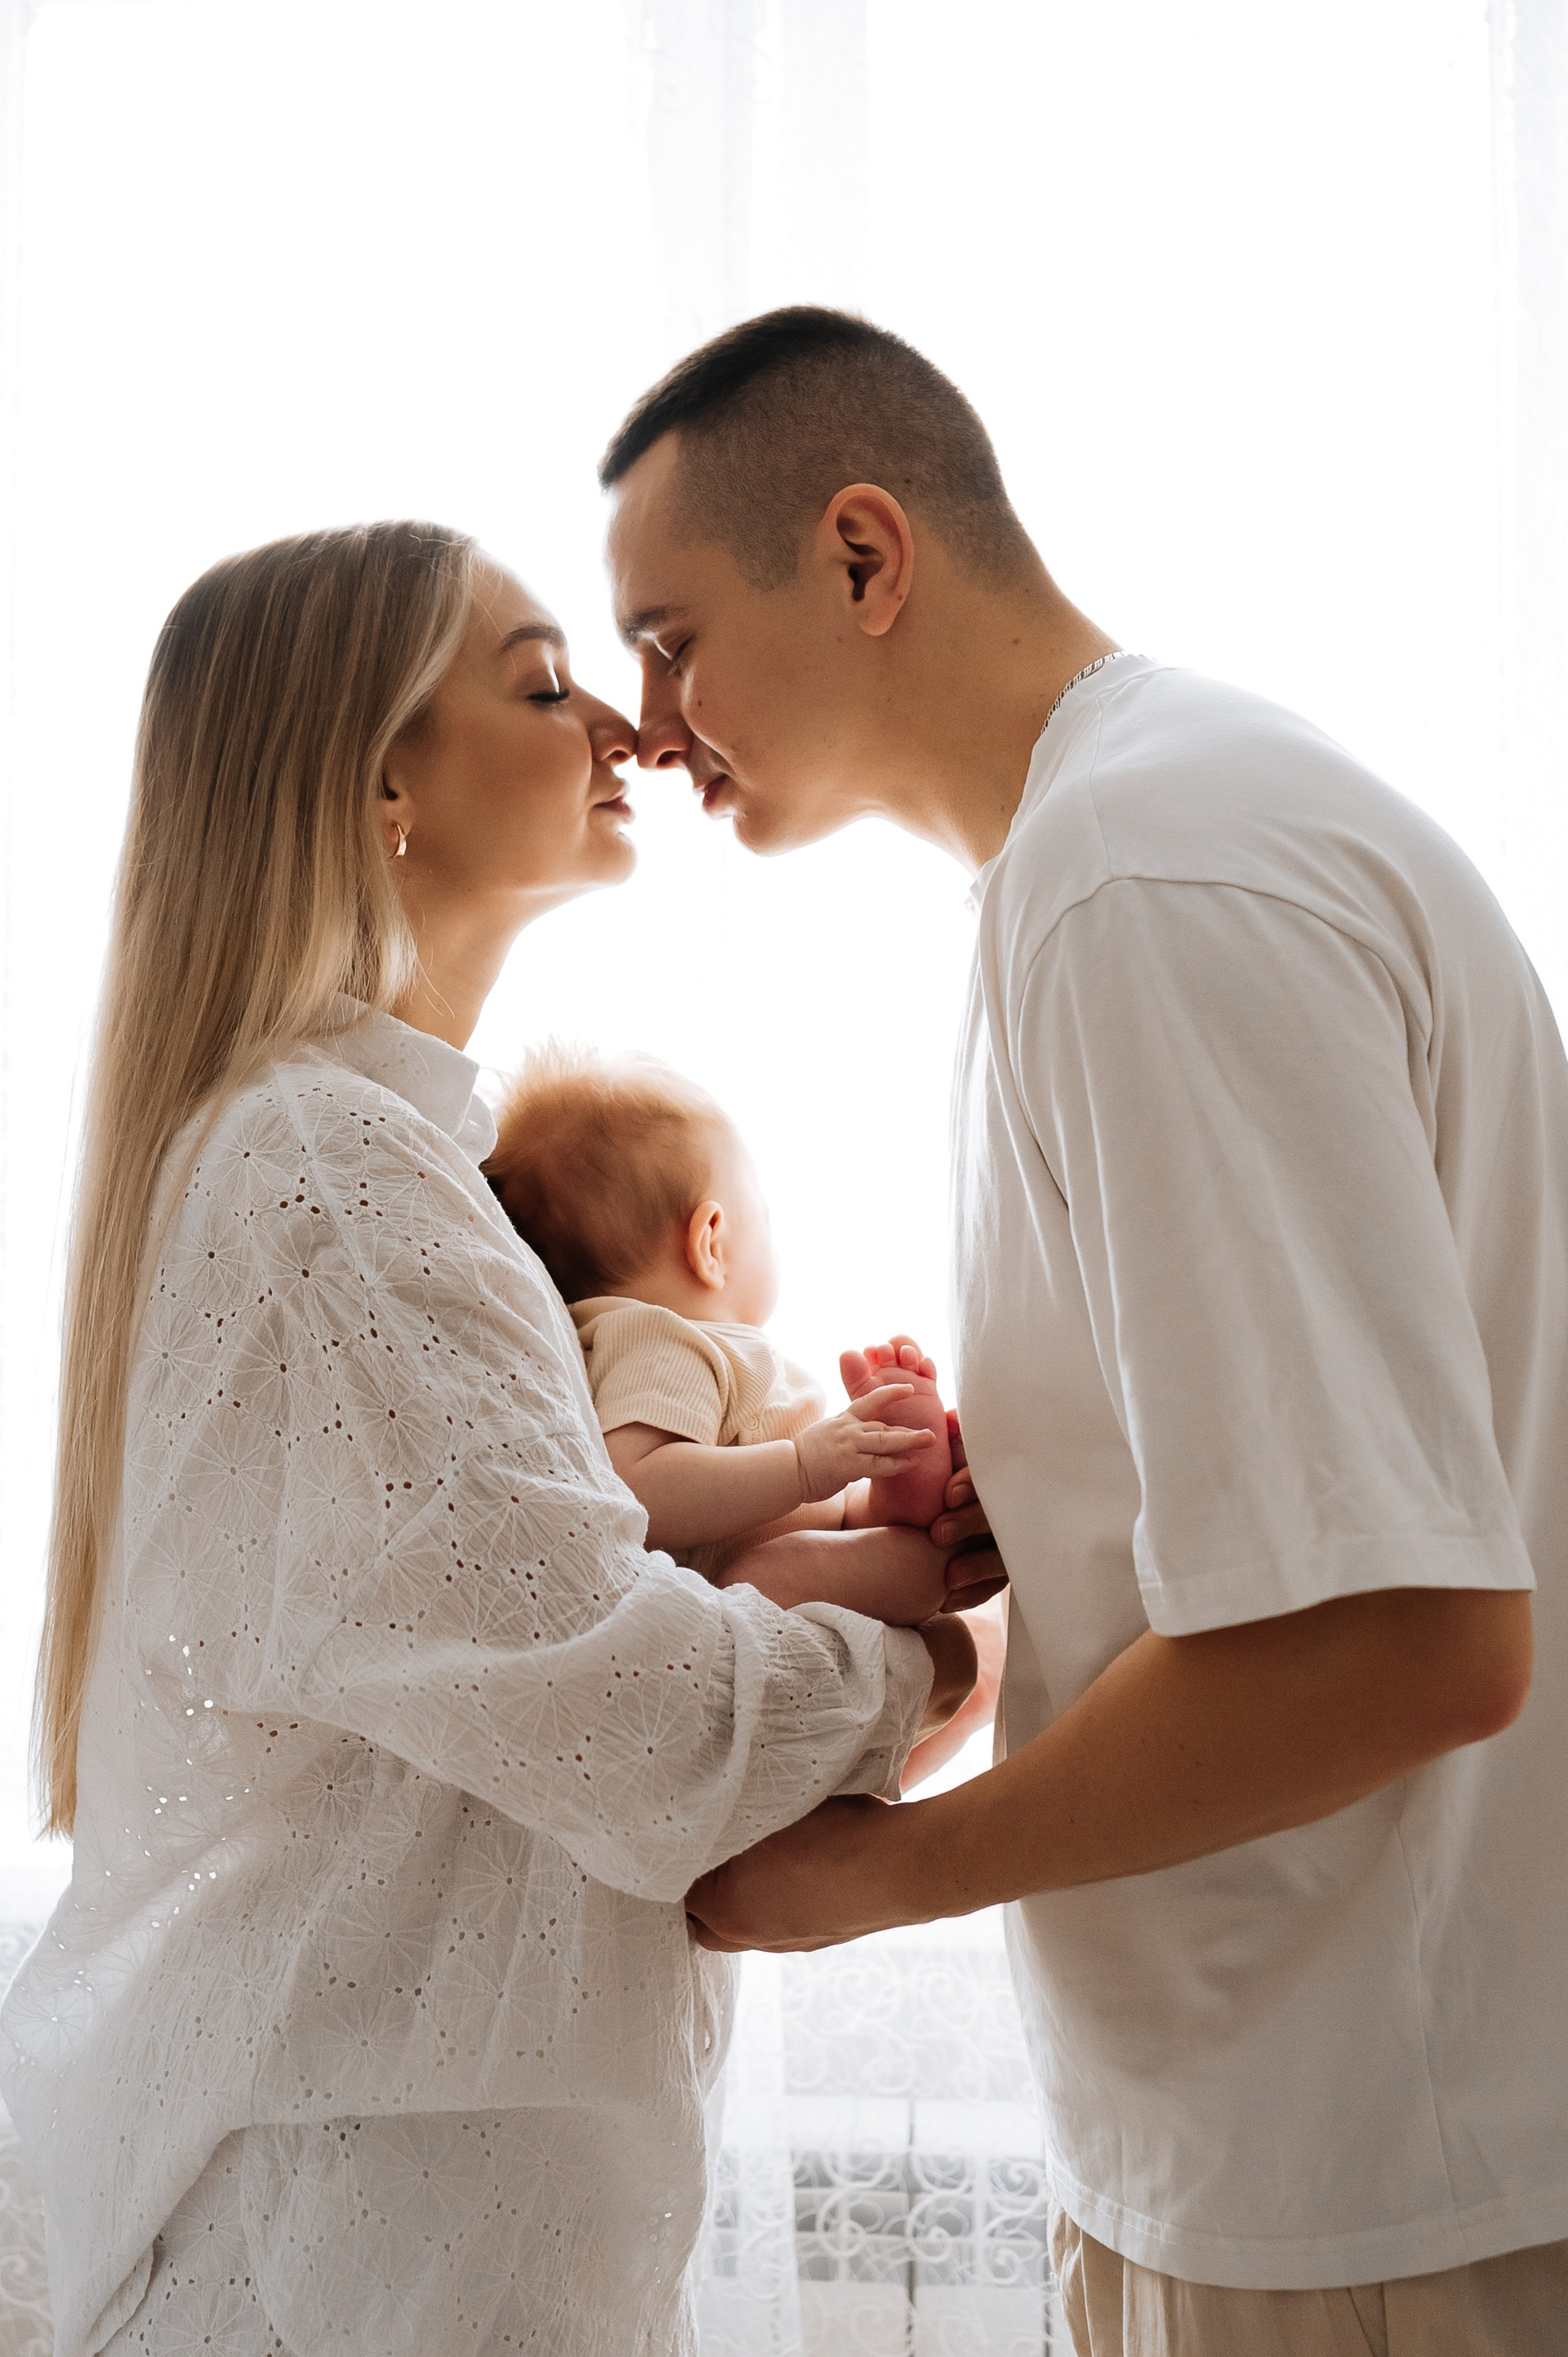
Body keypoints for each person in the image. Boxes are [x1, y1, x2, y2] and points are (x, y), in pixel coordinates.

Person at [602, 308, 1568, 2354]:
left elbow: (1411, 1639)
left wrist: (881, 1878)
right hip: (1284, 2145)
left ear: (862, 556)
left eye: (671, 641)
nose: (647, 726)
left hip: (1363, 2177)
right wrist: (1040, 1511)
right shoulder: (1119, 847)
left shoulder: (1142, 879)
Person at [0, 521, 985, 2357]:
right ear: (381, 786)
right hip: (355, 2278)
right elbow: (637, 1724)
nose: (626, 724)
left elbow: (536, 1643)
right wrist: (946, 1650)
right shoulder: (336, 1176)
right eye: (542, 684)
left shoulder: (360, 1161)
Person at [486, 1043, 964, 1615]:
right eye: (762, 1217)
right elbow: (638, 1488)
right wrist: (804, 1465)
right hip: (749, 1586)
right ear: (710, 1243)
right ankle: (917, 1547)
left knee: (904, 1549)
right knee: (905, 1568)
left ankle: (903, 1478)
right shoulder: (664, 1341)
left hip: (818, 1530)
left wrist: (862, 1452)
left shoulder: (683, 1345)